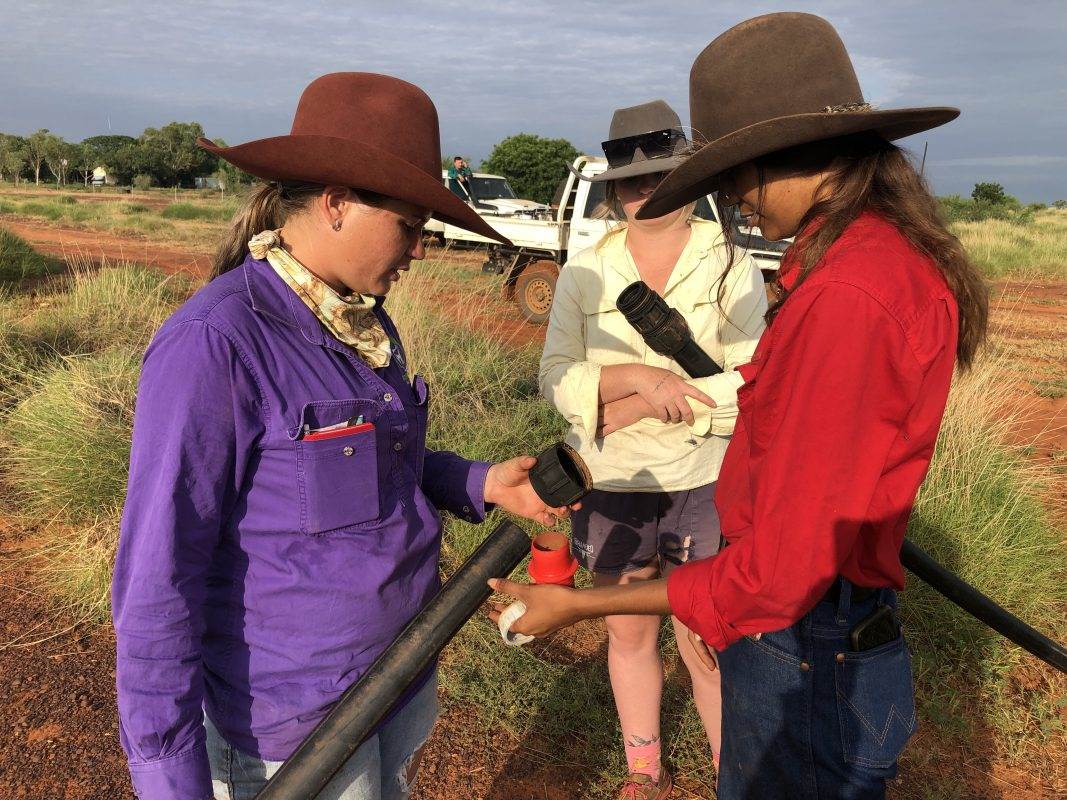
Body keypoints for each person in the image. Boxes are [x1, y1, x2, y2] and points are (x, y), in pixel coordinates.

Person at [490, 13, 988, 799]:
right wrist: (622, 392)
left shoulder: (847, 294)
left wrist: (576, 605)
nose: (730, 199)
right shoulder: (864, 265)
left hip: (808, 648)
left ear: (776, 159)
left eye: (731, 174)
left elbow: (773, 576)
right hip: (820, 632)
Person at [112, 72, 576, 800]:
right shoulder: (215, 343)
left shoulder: (361, 321)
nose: (420, 250)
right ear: (335, 204)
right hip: (295, 728)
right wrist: (170, 780)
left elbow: (371, 464)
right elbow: (156, 576)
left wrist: (477, 481)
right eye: (410, 226)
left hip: (401, 676)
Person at [539, 99, 766, 800]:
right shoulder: (584, 270)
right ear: (612, 187)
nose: (643, 194)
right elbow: (555, 377)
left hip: (704, 482)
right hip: (609, 482)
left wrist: (626, 403)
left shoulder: (730, 265)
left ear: (689, 182)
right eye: (630, 181)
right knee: (629, 632)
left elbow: (749, 385)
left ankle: (735, 776)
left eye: (660, 178)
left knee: (706, 641)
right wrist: (636, 378)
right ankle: (645, 770)